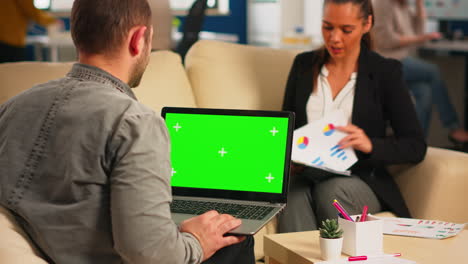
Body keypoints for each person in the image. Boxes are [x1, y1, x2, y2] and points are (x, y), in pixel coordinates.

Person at [0, 0, 254, 263]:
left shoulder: (13, 107)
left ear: (78, 36)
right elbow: (151, 255)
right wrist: (197, 243)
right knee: (234, 235)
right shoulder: (135, 123)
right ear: (138, 39)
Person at [279, 0, 426, 233]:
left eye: (346, 30)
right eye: (328, 27)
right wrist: (290, 156)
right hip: (307, 174)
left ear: (367, 24)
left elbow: (416, 146)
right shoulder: (303, 65)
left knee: (332, 191)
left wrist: (370, 145)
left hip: (361, 178)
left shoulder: (385, 72)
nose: (335, 38)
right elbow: (286, 127)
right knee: (291, 193)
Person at [372, 0, 468, 143]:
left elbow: (418, 31)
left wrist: (419, 4)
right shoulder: (382, 4)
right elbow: (386, 41)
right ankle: (452, 127)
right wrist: (421, 38)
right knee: (432, 71)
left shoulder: (401, 5)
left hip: (401, 60)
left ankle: (416, 144)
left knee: (425, 91)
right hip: (386, 62)